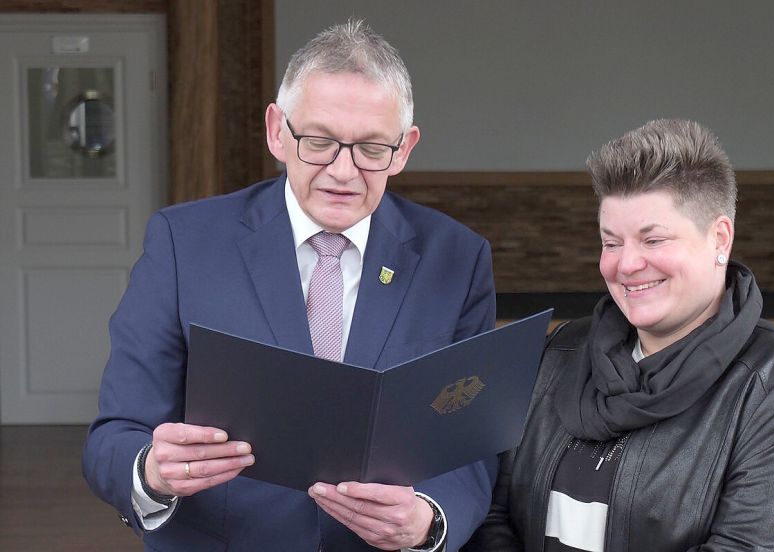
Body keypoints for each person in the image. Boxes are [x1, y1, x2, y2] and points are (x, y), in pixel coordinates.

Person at [82, 20, 496, 552]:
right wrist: (151, 471)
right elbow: (114, 435)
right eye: (319, 142)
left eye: (372, 148)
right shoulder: (184, 243)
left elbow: (471, 442)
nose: (344, 172)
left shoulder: (457, 258)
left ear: (405, 148)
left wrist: (429, 520)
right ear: (277, 131)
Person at [464, 119, 774, 551]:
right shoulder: (561, 351)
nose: (626, 265)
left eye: (654, 240)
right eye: (611, 243)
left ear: (720, 238)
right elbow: (492, 513)